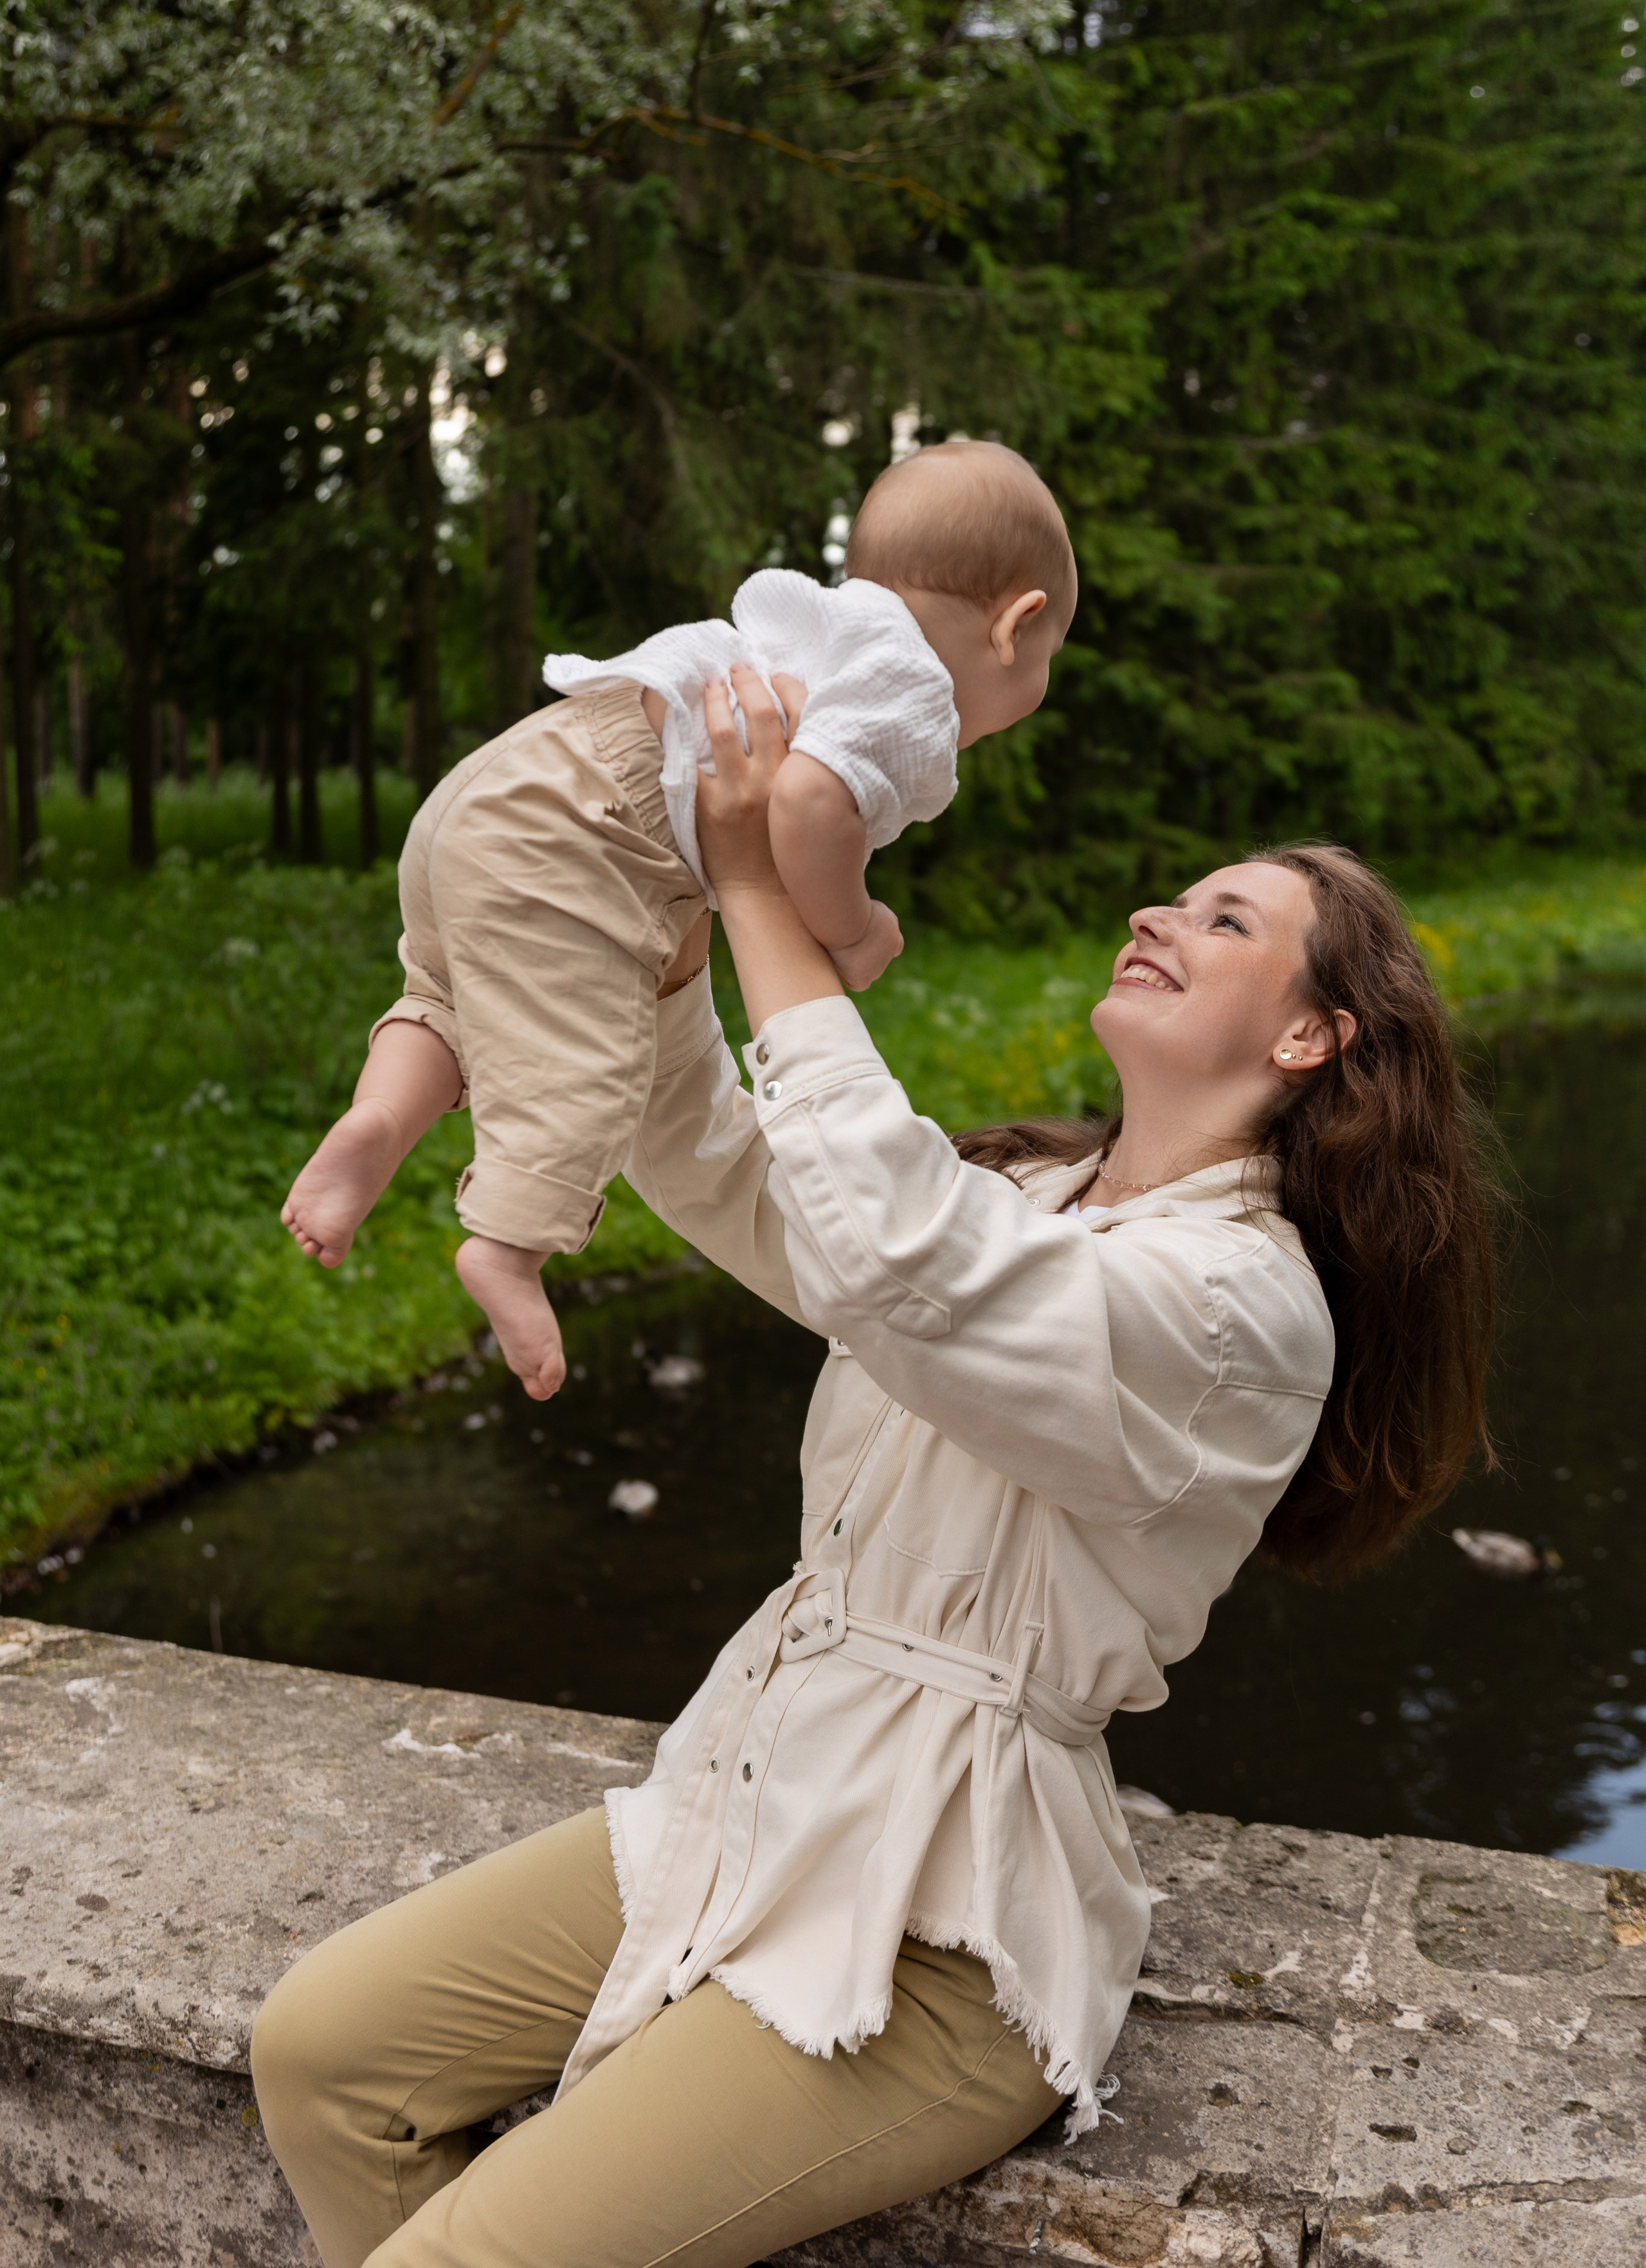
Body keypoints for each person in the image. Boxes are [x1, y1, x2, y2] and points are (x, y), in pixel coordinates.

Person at [251, 672, 1498, 2268]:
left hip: (941, 1937)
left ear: (1313, 1034)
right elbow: (729, 1166)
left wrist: (768, 890)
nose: (1159, 913)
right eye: (1175, 897)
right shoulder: (1031, 1197)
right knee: (326, 2056)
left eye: (1227, 921)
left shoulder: (1243, 1309)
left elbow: (905, 1251)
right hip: (754, 1795)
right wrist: (663, 915)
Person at [279, 442, 1075, 1404]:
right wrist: (852, 925)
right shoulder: (909, 681)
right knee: (583, 1049)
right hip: (592, 831)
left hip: (511, 784)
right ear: (1017, 623)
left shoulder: (833, 630)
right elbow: (810, 805)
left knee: (450, 989)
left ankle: (380, 1117)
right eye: (1048, 664)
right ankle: (510, 1243)